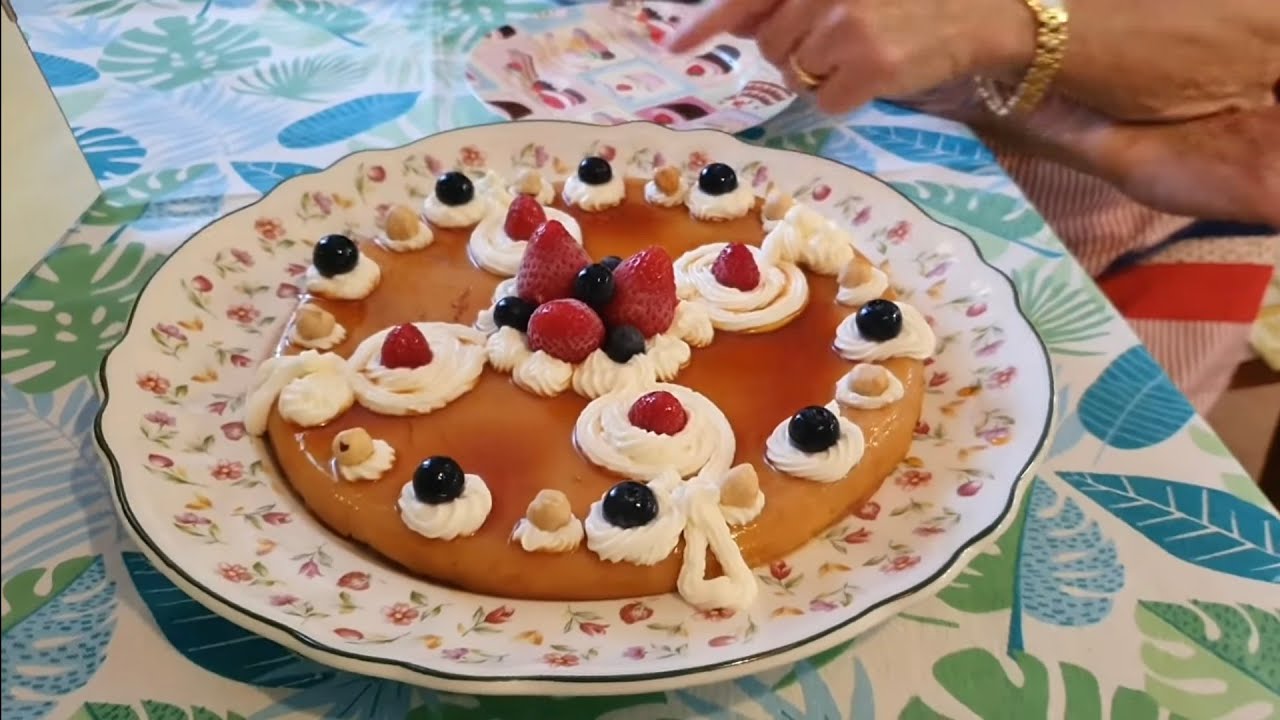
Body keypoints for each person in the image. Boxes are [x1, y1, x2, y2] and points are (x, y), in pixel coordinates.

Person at [669, 0, 1280, 411]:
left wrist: (989, 22)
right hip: (846, 166)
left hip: (1125, 258)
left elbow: (1253, 41)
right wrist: (1079, 133)